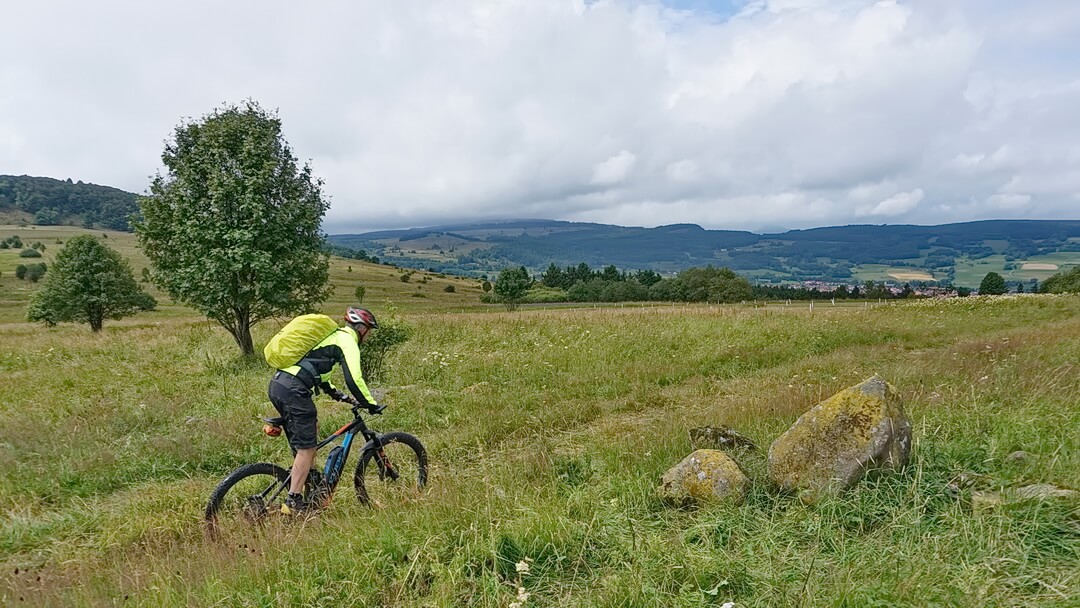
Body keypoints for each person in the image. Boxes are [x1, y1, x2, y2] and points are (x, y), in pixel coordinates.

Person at [268, 306, 380, 514]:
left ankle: (310, 477)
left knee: (311, 428)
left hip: (279, 384)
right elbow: (354, 378)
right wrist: (370, 403)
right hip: (294, 389)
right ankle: (293, 500)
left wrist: (338, 395)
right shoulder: (347, 341)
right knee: (307, 447)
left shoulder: (333, 338)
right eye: (369, 331)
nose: (369, 335)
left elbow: (321, 373)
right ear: (362, 329)